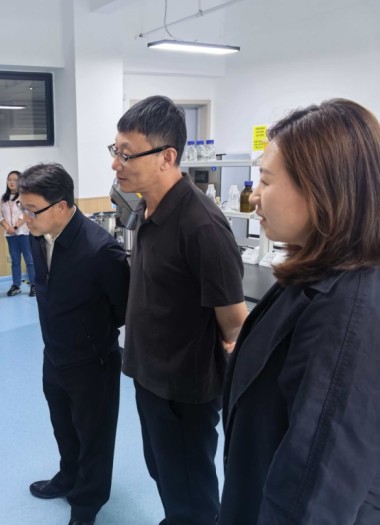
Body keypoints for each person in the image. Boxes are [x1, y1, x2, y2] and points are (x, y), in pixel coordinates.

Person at [219, 99, 380, 524]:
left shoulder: (351, 313)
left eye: (266, 181)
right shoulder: (316, 271)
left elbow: (317, 490)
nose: (254, 196)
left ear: (321, 189)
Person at [111, 95, 248, 524]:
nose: (116, 164)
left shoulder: (202, 225)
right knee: (164, 473)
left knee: (191, 490)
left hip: (184, 389)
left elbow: (234, 325)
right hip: (149, 375)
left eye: (127, 154)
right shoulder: (146, 206)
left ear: (167, 157)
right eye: (115, 151)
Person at [19, 163, 130, 525]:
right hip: (54, 355)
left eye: (32, 210)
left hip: (93, 361)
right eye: (23, 208)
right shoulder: (39, 236)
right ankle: (68, 477)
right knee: (63, 426)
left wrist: (87, 335)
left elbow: (122, 309)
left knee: (94, 436)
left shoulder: (101, 250)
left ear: (62, 206)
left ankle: (87, 504)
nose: (25, 218)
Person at [0, 170, 35, 297]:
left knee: (29, 260)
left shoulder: (25, 196)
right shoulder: (3, 198)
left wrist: (15, 226)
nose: (11, 182)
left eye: (15, 179)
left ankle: (34, 285)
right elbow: (0, 216)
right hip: (10, 235)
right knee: (15, 261)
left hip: (24, 233)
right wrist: (8, 227)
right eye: (9, 179)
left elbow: (26, 214)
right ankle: (16, 285)